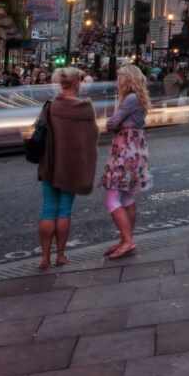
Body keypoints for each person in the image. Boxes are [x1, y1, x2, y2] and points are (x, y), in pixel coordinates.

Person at [34, 67, 99, 270]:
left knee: (47, 210)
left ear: (60, 84)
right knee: (64, 211)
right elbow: (93, 138)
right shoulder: (86, 109)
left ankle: (44, 258)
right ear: (77, 83)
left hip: (50, 164)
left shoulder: (50, 107)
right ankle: (60, 255)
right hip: (71, 167)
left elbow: (38, 131)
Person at [100, 65, 151, 260]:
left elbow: (112, 123)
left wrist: (113, 122)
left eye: (119, 77)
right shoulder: (138, 97)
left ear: (128, 79)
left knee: (112, 199)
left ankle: (127, 240)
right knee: (128, 198)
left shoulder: (130, 99)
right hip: (136, 149)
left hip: (125, 149)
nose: (117, 81)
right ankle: (125, 238)